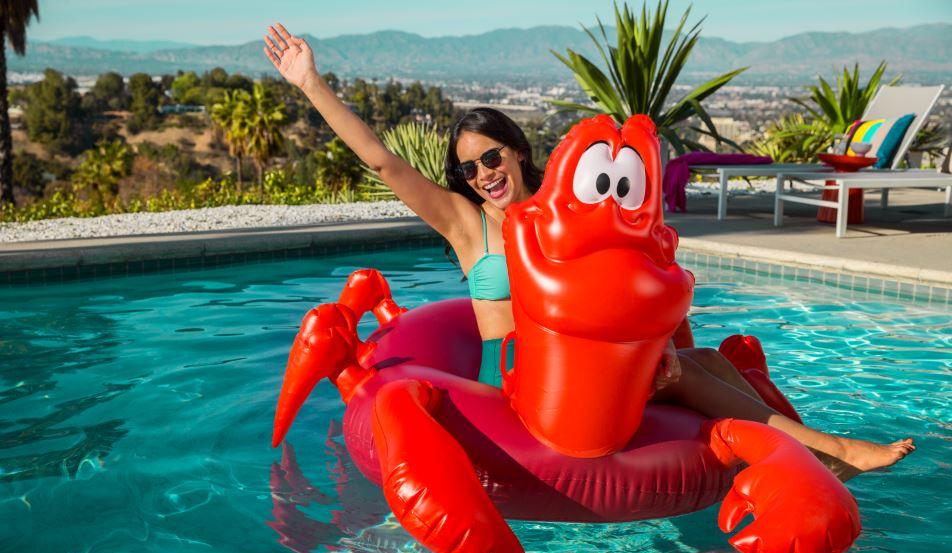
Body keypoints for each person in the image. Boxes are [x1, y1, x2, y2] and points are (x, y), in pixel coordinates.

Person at [263, 24, 914, 480]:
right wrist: (310, 83)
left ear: (517, 149)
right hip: (520, 386)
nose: (484, 174)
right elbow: (382, 159)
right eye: (469, 169)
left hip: (590, 375)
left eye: (492, 156)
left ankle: (809, 453)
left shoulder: (562, 214)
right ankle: (829, 448)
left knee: (700, 354)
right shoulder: (466, 224)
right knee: (686, 372)